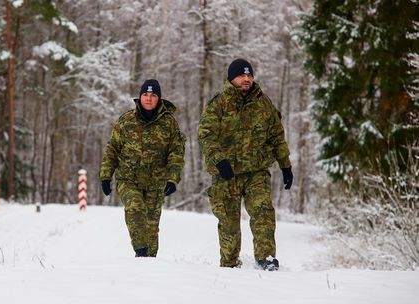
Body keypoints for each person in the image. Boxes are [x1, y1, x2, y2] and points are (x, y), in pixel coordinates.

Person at [198, 58, 293, 271]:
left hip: (256, 171)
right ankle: (230, 264)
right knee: (229, 223)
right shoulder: (220, 103)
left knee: (263, 212)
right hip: (226, 174)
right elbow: (206, 135)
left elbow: (277, 136)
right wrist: (219, 160)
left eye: (249, 75)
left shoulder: (263, 103)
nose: (247, 79)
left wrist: (285, 165)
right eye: (242, 75)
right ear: (232, 78)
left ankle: (267, 258)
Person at [99, 79, 185, 257]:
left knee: (151, 228)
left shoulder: (169, 123)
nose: (148, 98)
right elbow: (112, 148)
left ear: (159, 99)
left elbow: (176, 153)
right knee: (135, 207)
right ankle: (140, 251)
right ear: (140, 97)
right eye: (145, 94)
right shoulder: (126, 121)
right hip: (128, 179)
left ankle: (148, 267)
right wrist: (106, 175)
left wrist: (172, 178)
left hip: (156, 183)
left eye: (153, 95)